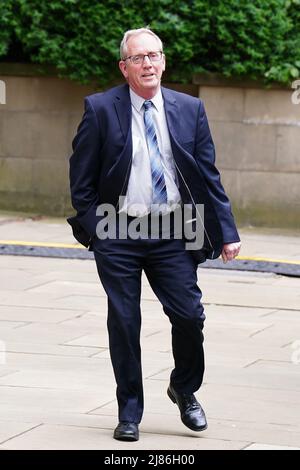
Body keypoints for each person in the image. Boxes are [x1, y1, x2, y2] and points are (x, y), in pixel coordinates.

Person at [68, 28, 241, 442]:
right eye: (139, 57)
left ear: (163, 62)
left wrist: (227, 231)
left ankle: (184, 388)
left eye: (155, 55)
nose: (148, 63)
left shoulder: (189, 108)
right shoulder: (100, 109)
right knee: (125, 322)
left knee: (189, 316)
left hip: (172, 230)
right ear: (124, 67)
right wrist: (97, 231)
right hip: (119, 229)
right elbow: (81, 179)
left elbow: (207, 176)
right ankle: (129, 412)